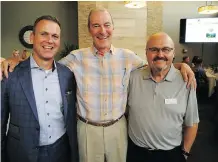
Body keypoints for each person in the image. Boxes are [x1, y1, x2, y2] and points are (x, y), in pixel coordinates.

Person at [1, 8, 195, 162]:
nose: (102, 31)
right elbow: (47, 65)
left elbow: (156, 63)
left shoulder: (128, 57)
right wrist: (16, 62)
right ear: (89, 30)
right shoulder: (75, 58)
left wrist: (181, 65)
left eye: (107, 25)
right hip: (87, 128)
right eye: (96, 25)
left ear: (113, 27)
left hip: (117, 127)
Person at [1, 15, 78, 162]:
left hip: (61, 152)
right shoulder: (10, 74)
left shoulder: (67, 74)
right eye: (44, 34)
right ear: (32, 37)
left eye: (55, 36)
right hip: (22, 153)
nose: (50, 40)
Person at [127, 32, 199, 162]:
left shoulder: (186, 81)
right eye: (154, 49)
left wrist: (185, 153)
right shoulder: (132, 78)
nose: (160, 54)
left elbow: (192, 122)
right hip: (136, 153)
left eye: (166, 49)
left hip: (170, 155)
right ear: (146, 52)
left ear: (173, 53)